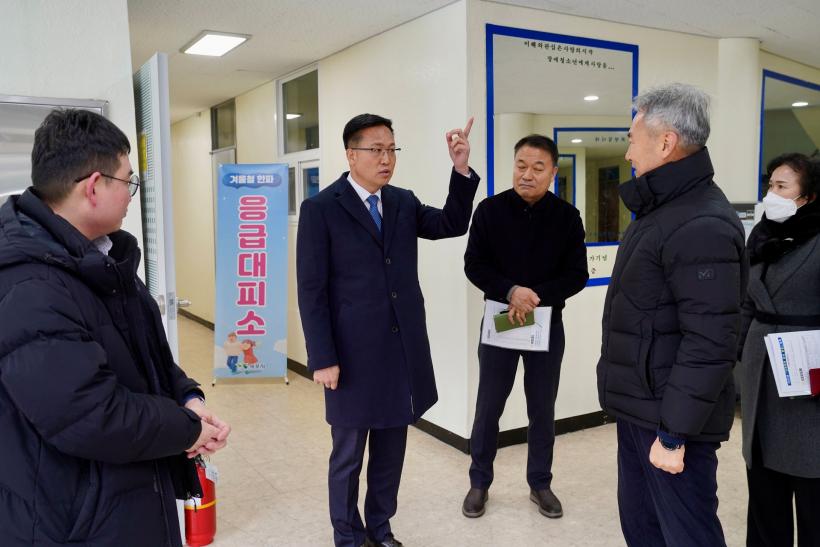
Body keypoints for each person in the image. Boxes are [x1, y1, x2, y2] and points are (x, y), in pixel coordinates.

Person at [0, 109, 230, 547]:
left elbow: (146, 357)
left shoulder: (103, 259)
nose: (131, 195)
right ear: (93, 186)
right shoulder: (29, 286)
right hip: (74, 520)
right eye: (128, 181)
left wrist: (188, 397)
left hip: (126, 494)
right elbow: (90, 415)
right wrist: (187, 429)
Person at [297, 113, 479, 547]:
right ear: (351, 154)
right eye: (376, 150)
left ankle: (379, 529)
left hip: (399, 353)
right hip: (350, 356)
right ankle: (347, 536)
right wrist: (323, 357)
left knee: (390, 452)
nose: (386, 159)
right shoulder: (321, 209)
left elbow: (451, 224)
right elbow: (311, 290)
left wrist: (460, 170)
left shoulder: (401, 202)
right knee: (348, 456)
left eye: (392, 149)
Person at [596, 83, 748, 546]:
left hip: (670, 421)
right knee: (643, 529)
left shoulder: (701, 222)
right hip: (642, 410)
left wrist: (674, 434)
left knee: (687, 535)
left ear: (666, 142)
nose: (627, 153)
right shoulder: (661, 211)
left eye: (632, 139)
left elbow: (711, 341)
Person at [461, 134, 588, 519]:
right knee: (488, 406)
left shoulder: (567, 217)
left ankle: (540, 483)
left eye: (537, 168)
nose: (527, 174)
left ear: (552, 173)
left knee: (542, 409)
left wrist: (535, 296)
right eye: (521, 166)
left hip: (545, 323)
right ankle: (479, 482)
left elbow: (577, 275)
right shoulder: (489, 211)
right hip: (500, 323)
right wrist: (510, 291)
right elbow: (474, 264)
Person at [737, 153, 820, 547]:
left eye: (782, 186)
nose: (771, 194)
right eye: (770, 185)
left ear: (808, 196)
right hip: (761, 370)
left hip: (808, 373)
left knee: (810, 484)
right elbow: (746, 299)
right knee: (764, 487)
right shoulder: (761, 236)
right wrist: (739, 349)